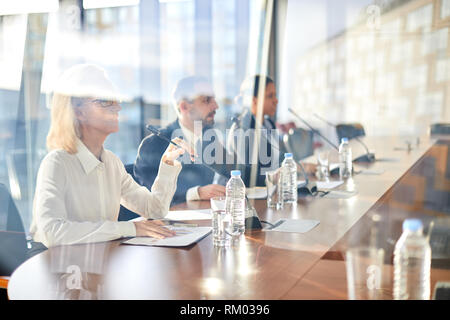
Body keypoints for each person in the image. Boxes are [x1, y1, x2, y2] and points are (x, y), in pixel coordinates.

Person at [29, 64, 191, 248]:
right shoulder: (57, 163)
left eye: (116, 99)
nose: (118, 107)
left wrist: (168, 163)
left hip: (97, 264)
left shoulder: (111, 163)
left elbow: (154, 209)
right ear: (78, 111)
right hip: (59, 271)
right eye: (106, 100)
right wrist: (129, 228)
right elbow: (51, 232)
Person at [134, 76, 229, 205]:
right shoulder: (154, 144)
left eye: (214, 99)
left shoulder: (211, 138)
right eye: (207, 100)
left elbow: (227, 173)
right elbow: (150, 194)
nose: (216, 106)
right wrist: (196, 193)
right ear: (184, 107)